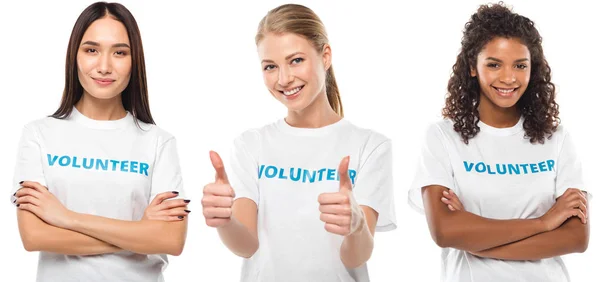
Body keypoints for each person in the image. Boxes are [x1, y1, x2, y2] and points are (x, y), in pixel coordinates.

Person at [201, 4, 396, 282]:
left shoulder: (370, 146)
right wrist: (223, 220)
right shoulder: (251, 145)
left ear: (325, 56)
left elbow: (356, 256)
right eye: (270, 66)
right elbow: (247, 246)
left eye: (296, 60)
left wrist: (356, 226)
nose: (284, 79)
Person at [408, 3, 589, 282]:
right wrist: (544, 222)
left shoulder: (557, 140)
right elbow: (445, 232)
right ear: (472, 66)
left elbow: (576, 238)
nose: (508, 77)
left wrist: (475, 236)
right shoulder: (443, 137)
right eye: (494, 64)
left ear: (533, 69)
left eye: (520, 65)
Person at [11, 2, 188, 281]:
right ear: (75, 56)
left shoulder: (158, 142)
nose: (104, 66)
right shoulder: (39, 135)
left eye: (119, 52)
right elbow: (34, 236)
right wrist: (140, 233)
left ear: (135, 60)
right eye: (91, 50)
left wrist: (66, 218)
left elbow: (171, 241)